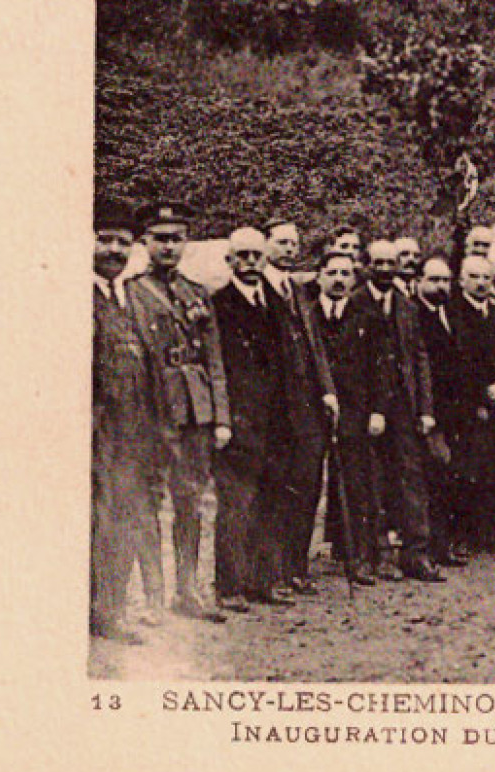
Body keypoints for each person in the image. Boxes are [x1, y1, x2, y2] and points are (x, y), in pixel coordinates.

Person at [126, 200, 230, 623]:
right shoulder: (132, 292)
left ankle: (187, 590)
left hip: (195, 410)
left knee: (191, 502)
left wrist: (220, 416)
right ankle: (153, 597)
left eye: (176, 239)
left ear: (186, 243)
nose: (168, 246)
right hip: (153, 409)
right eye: (160, 239)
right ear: (145, 242)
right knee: (148, 501)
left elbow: (215, 361)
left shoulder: (197, 292)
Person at [210, 228, 296, 610]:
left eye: (255, 256)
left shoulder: (277, 302)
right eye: (241, 256)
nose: (249, 263)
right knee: (236, 505)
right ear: (229, 261)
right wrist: (224, 419)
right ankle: (230, 585)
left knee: (274, 501)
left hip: (276, 419)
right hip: (240, 420)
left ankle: (266, 580)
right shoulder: (218, 304)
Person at [354, 240, 444, 582]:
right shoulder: (356, 303)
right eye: (378, 263)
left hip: (404, 406)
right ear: (367, 265)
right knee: (371, 479)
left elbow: (419, 358)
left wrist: (425, 408)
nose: (386, 269)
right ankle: (375, 555)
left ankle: (416, 553)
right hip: (368, 408)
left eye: (391, 263)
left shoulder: (406, 306)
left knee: (411, 477)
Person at [261, 218, 339, 595]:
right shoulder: (260, 290)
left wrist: (327, 390)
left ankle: (296, 566)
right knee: (277, 491)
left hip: (308, 407)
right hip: (276, 409)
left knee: (307, 489)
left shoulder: (299, 292)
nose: (289, 250)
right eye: (281, 243)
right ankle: (271, 570)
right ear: (266, 246)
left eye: (293, 244)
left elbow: (316, 349)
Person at [90, 200, 153, 645]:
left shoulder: (134, 299)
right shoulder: (78, 297)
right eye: (104, 239)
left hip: (131, 433)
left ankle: (110, 611)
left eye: (122, 242)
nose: (113, 249)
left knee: (124, 520)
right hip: (92, 432)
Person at [312, 253, 391, 585]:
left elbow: (380, 368)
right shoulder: (306, 315)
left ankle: (358, 557)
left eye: (346, 273)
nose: (339, 279)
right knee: (306, 485)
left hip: (356, 413)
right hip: (312, 412)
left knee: (357, 485)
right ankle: (292, 566)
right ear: (319, 277)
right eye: (332, 272)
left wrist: (377, 411)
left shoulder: (367, 317)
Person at [443, 256, 495, 554]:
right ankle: (465, 535)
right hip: (469, 406)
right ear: (462, 280)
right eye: (474, 277)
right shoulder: (452, 315)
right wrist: (480, 396)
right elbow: (455, 364)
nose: (480, 283)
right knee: (468, 471)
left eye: (485, 278)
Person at [412, 256, 469, 566]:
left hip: (454, 411)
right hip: (429, 411)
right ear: (419, 281)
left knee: (448, 478)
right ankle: (427, 547)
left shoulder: (451, 314)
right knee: (429, 479)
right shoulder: (413, 314)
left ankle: (443, 544)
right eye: (433, 280)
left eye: (445, 280)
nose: (440, 286)